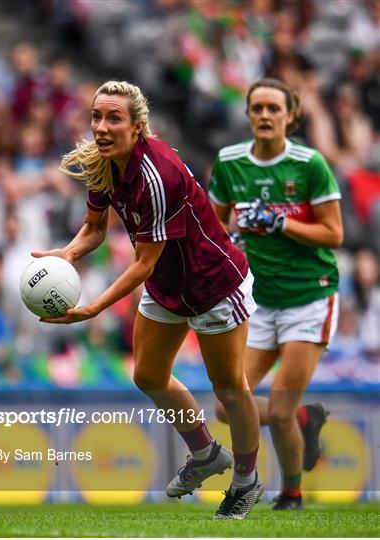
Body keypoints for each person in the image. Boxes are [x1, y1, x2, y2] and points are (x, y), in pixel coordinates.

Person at [32, 80, 263, 520]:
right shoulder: (105, 162)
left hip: (212, 283)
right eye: (97, 116)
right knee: (149, 375)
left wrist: (94, 307)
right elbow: (95, 229)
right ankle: (206, 454)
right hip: (168, 282)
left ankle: (247, 481)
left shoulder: (157, 174)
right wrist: (67, 254)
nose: (101, 126)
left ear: (138, 127)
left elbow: (142, 263)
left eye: (113, 118)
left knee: (230, 389)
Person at [208, 78, 343, 510]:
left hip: (309, 296)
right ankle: (308, 418)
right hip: (259, 300)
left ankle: (291, 495)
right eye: (257, 108)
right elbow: (215, 229)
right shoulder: (229, 162)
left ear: (290, 116)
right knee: (226, 407)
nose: (265, 115)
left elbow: (334, 233)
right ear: (248, 114)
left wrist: (280, 223)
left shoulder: (309, 164)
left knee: (279, 409)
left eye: (273, 108)